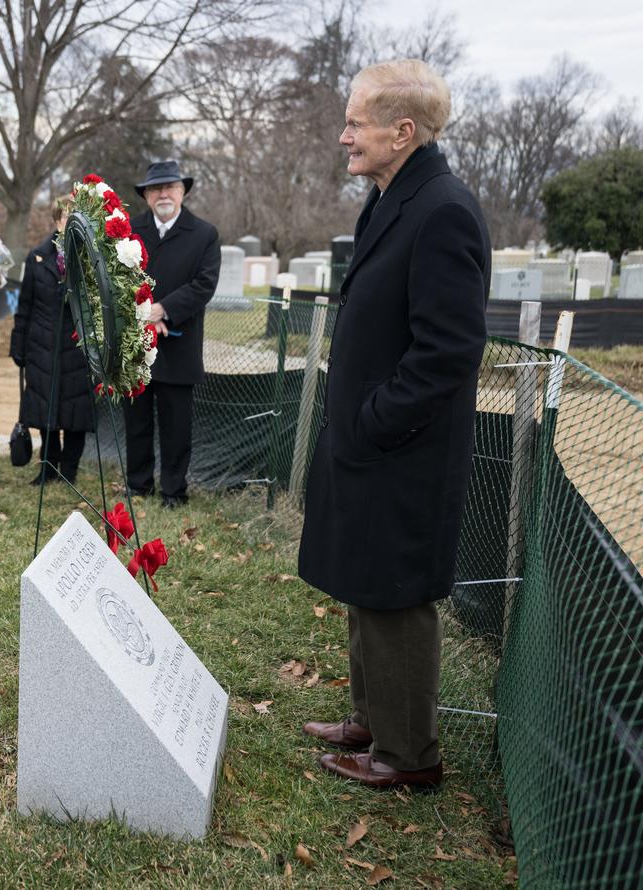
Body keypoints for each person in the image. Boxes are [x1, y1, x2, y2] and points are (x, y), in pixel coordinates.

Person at [299, 59, 490, 791]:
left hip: (404, 448)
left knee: (396, 597)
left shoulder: (442, 209)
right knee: (365, 580)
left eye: (355, 122)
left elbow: (448, 351)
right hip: (371, 442)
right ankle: (372, 719)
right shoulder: (390, 197)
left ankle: (409, 756)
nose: (343, 135)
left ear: (401, 131)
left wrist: (376, 421)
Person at [126, 160, 220, 508]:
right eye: (156, 188)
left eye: (171, 187)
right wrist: (143, 315)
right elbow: (120, 279)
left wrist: (162, 311)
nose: (163, 193)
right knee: (135, 418)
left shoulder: (204, 233)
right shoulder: (129, 231)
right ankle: (138, 484)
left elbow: (204, 284)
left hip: (179, 341)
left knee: (176, 423)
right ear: (147, 196)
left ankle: (173, 491)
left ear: (182, 191)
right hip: (136, 341)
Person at [10, 198, 92, 484]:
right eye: (65, 216)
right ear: (57, 220)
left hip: (78, 347)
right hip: (42, 346)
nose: (69, 222)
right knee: (45, 410)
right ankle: (48, 468)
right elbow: (25, 307)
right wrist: (18, 345)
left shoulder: (91, 259)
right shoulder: (37, 257)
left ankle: (69, 471)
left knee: (76, 412)